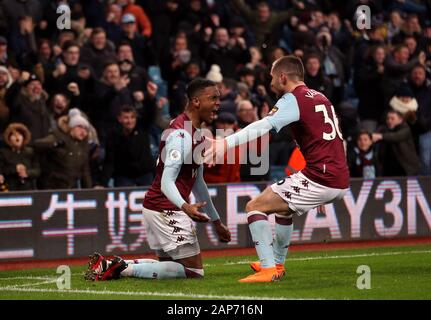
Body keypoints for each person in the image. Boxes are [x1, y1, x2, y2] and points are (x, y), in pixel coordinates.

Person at [205, 55, 349, 282]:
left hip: (323, 177)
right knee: (284, 210)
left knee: (255, 207)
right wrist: (332, 178)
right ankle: (278, 263)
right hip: (336, 175)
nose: (269, 81)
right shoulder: (321, 98)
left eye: (272, 76)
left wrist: (225, 142)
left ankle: (268, 268)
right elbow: (336, 142)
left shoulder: (293, 99)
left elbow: (263, 125)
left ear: (282, 77)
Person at [85, 78, 231, 281]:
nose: (218, 103)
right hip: (166, 208)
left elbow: (197, 181)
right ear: (196, 101)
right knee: (193, 272)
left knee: (169, 266)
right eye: (213, 98)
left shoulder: (194, 132)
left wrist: (216, 222)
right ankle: (121, 269)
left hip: (159, 206)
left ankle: (110, 265)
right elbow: (166, 182)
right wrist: (185, 206)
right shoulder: (181, 135)